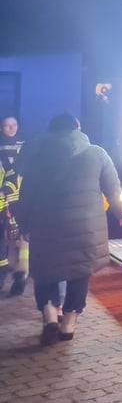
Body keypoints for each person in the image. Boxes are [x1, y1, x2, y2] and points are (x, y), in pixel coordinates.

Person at [15, 112, 122, 345]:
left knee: (45, 271)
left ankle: (49, 317)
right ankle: (68, 324)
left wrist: (24, 224)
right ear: (77, 128)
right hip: (85, 228)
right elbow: (113, 191)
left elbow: (25, 195)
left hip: (45, 225)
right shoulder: (97, 154)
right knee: (79, 274)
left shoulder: (37, 157)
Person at [0, 114, 26, 296]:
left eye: (14, 125)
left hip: (20, 199)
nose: (11, 129)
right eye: (7, 126)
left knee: (22, 241)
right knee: (3, 241)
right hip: (4, 201)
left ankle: (21, 276)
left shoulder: (25, 146)